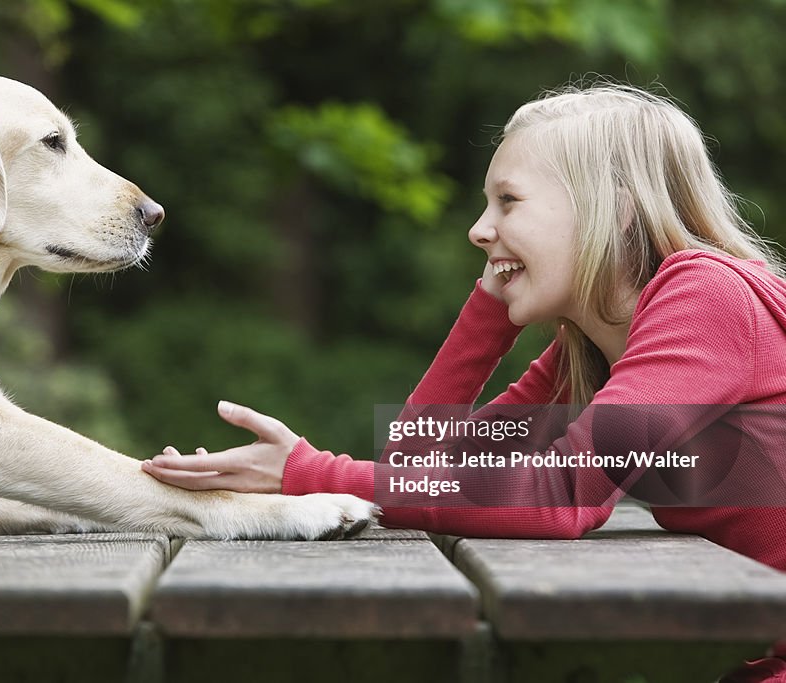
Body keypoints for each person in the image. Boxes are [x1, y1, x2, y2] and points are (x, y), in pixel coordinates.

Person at [142, 84, 786, 681]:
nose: (479, 229)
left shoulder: (707, 299)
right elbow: (420, 464)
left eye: (508, 201)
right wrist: (489, 309)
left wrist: (311, 474)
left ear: (611, 208)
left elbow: (558, 495)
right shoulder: (591, 349)